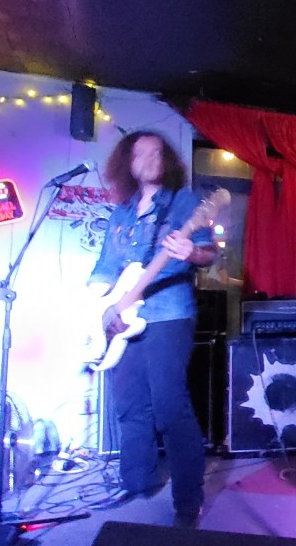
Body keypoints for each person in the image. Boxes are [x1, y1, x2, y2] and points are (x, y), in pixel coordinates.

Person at [87, 131, 216, 527]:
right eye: (141, 153)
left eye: (158, 151)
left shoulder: (184, 203)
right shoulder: (121, 213)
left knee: (170, 407)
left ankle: (188, 501)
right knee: (129, 405)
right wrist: (99, 311)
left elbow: (209, 254)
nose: (151, 158)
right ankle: (137, 481)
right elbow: (105, 269)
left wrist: (192, 252)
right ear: (127, 163)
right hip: (122, 319)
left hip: (169, 314)